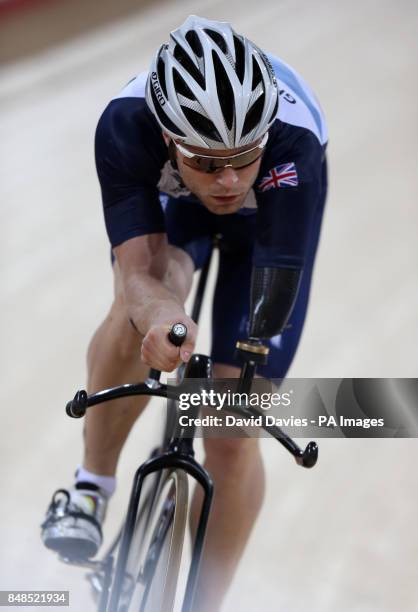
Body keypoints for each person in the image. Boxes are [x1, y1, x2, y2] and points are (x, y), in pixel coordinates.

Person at [41, 15, 328, 612]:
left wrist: (239, 395)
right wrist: (163, 321)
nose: (227, 179)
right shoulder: (126, 126)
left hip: (267, 232)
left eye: (244, 157)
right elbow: (140, 273)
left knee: (232, 432)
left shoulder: (296, 142)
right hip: (179, 217)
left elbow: (276, 285)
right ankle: (91, 488)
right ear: (169, 138)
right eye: (204, 160)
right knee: (140, 300)